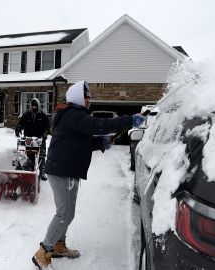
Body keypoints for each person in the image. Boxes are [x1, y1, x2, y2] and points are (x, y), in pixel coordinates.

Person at [31, 81, 145, 269]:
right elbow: (99, 125)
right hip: (63, 170)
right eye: (85, 97)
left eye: (89, 97)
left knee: (67, 213)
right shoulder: (72, 114)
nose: (88, 100)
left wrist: (102, 142)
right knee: (64, 213)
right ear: (76, 97)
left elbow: (81, 142)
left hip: (67, 169)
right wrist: (129, 120)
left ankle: (58, 246)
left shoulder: (72, 116)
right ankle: (43, 252)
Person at [15, 98, 51, 180]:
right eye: (33, 106)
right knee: (30, 155)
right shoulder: (26, 114)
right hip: (29, 139)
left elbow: (47, 127)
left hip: (40, 139)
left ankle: (42, 172)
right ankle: (30, 170)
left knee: (41, 155)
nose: (34, 107)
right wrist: (18, 129)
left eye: (36, 106)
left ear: (38, 106)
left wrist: (45, 134)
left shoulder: (42, 115)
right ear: (31, 106)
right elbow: (21, 123)